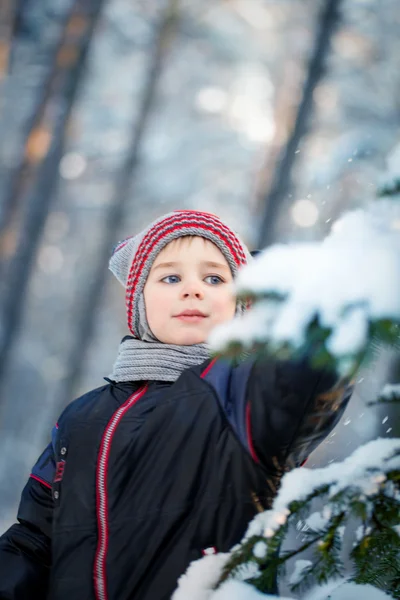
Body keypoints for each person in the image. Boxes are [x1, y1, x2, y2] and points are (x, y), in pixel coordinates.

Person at [0, 210, 352, 600]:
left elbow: (312, 372)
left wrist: (278, 281)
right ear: (137, 301)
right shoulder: (81, 417)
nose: (193, 289)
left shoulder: (241, 399)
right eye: (170, 277)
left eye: (215, 278)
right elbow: (33, 541)